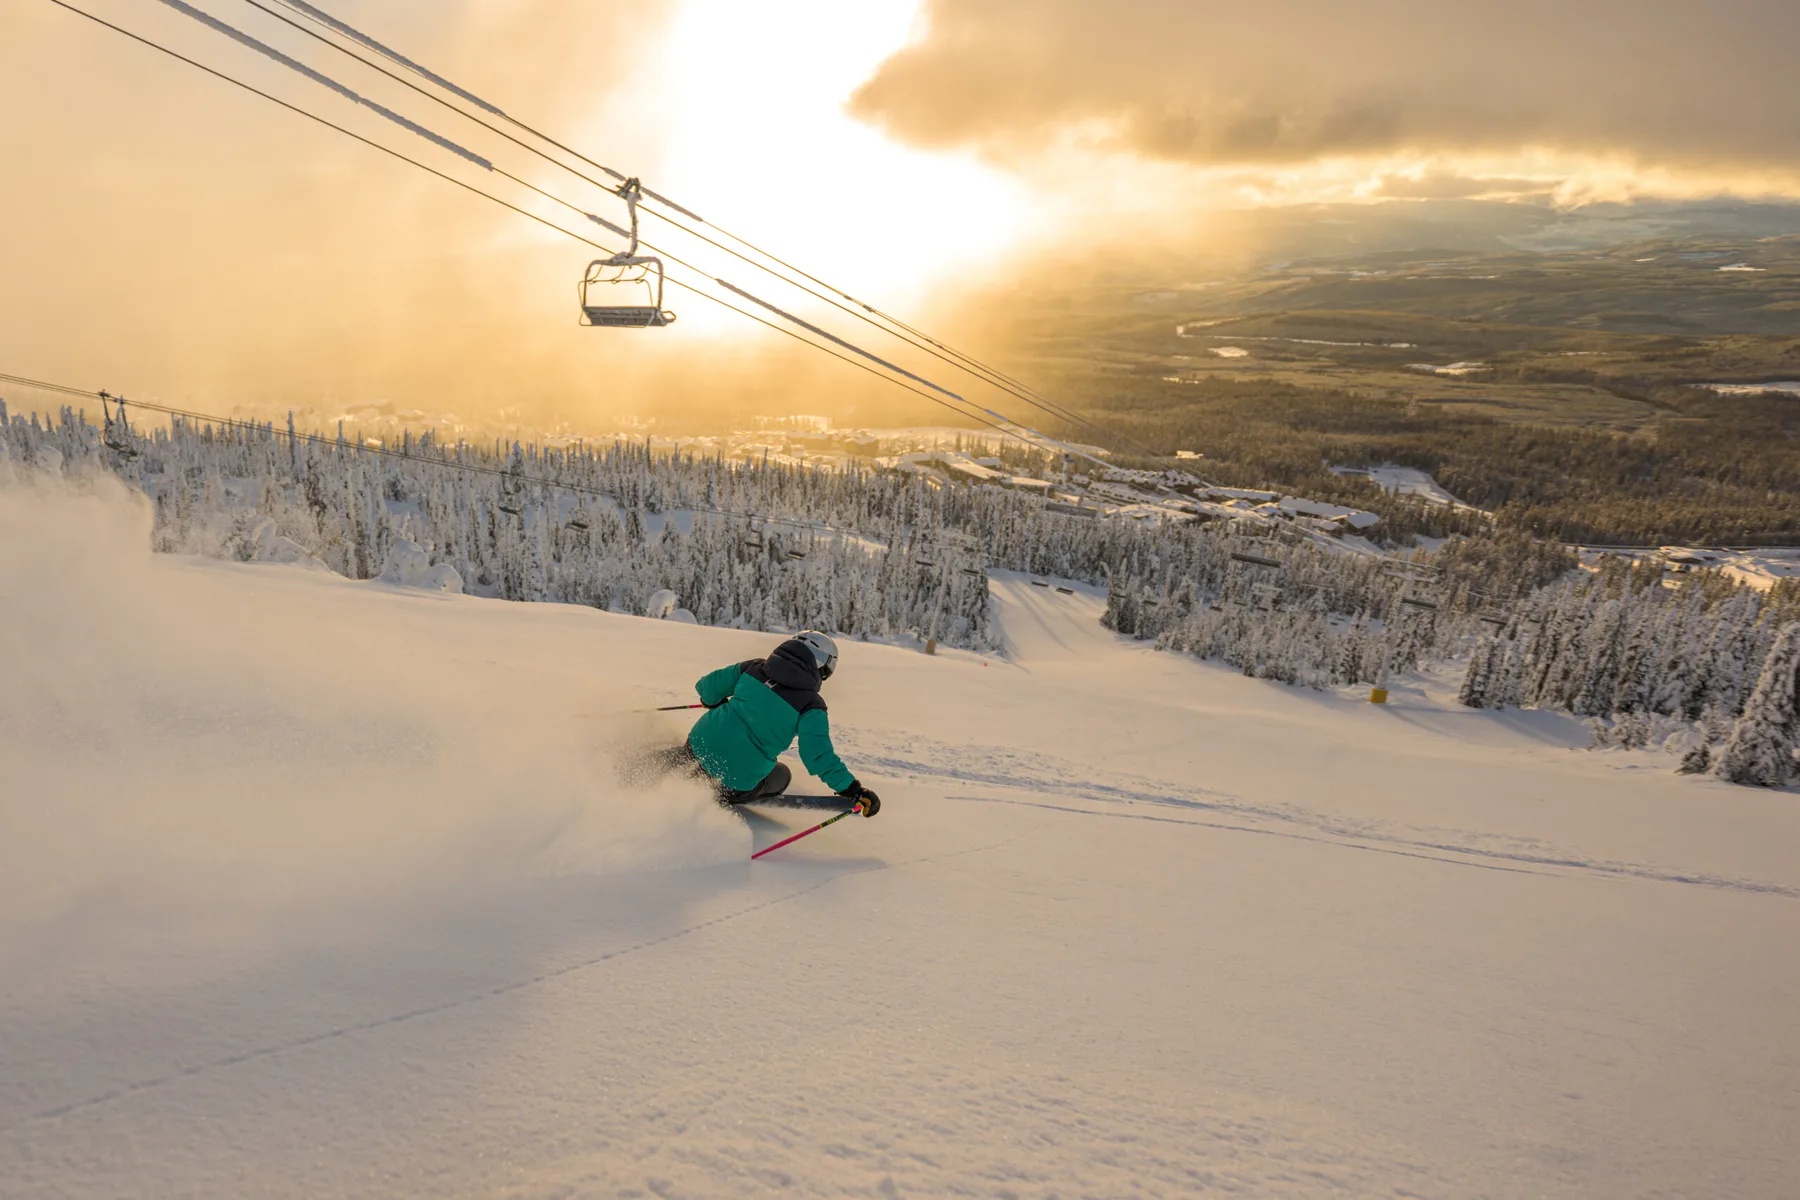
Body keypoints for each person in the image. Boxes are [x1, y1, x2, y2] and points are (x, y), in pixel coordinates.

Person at [657, 631, 880, 816]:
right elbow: (817, 756)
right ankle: (717, 790)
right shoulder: (811, 706)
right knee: (782, 774)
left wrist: (712, 702)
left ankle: (676, 768)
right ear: (823, 667)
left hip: (696, 746)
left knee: (692, 756)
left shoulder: (754, 668)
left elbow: (707, 687)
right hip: (733, 781)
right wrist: (852, 789)